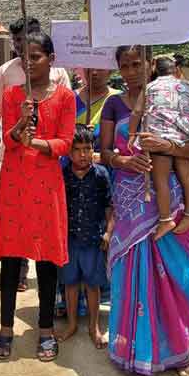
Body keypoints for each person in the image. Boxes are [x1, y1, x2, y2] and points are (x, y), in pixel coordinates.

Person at [100, 45, 189, 376]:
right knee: (130, 276)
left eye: (137, 64)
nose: (131, 71)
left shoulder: (177, 94)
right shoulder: (113, 103)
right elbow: (103, 152)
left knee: (176, 276)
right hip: (131, 203)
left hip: (171, 203)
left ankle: (178, 351)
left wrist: (168, 148)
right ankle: (130, 349)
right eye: (125, 65)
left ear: (150, 64)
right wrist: (122, 160)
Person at [0, 32, 76, 362]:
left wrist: (37, 143)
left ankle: (44, 329)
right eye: (23, 56)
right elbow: (10, 142)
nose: (29, 62)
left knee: (45, 260)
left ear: (51, 59)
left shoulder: (66, 97)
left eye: (36, 56)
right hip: (15, 184)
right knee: (12, 258)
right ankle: (6, 327)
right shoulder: (13, 95)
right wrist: (20, 125)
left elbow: (66, 143)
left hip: (46, 185)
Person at [0, 17, 71, 292]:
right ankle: (17, 270)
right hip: (16, 158)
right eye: (17, 42)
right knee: (16, 222)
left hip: (47, 165)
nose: (24, 54)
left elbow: (65, 128)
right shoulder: (6, 73)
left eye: (27, 42)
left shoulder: (59, 76)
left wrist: (41, 143)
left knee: (42, 223)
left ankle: (42, 276)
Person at [129, 57, 189, 238]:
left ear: (155, 69)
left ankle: (165, 220)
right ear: (175, 69)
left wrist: (132, 134)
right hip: (183, 139)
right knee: (187, 176)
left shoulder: (149, 87)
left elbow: (136, 112)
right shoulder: (187, 86)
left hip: (159, 139)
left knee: (160, 180)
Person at [55, 124, 112, 347]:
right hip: (69, 239)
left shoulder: (101, 175)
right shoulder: (62, 174)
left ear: (93, 149)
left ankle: (93, 326)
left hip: (93, 240)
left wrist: (108, 232)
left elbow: (109, 206)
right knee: (70, 283)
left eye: (87, 149)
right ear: (69, 152)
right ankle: (71, 324)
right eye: (77, 149)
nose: (83, 154)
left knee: (92, 284)